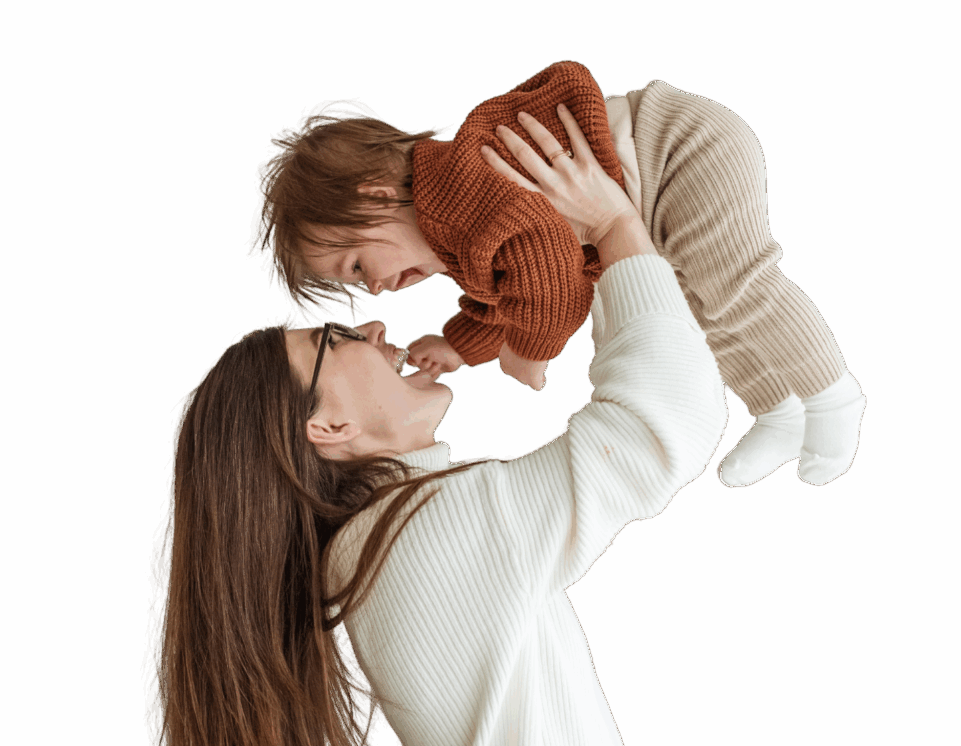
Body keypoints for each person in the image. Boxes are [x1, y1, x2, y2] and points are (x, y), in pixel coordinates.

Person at [162, 110, 726, 746]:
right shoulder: (425, 536)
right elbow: (666, 421)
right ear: (328, 426)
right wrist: (612, 227)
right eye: (336, 339)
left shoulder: (385, 546)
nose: (373, 324)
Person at [251, 60, 865, 487]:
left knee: (736, 290)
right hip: (650, 201)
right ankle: (779, 411)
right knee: (702, 312)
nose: (375, 288)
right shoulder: (451, 233)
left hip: (677, 150)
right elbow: (503, 293)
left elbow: (550, 272)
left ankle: (834, 398)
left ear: (378, 196)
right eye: (357, 284)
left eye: (358, 264)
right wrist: (460, 346)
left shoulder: (462, 188)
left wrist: (529, 348)